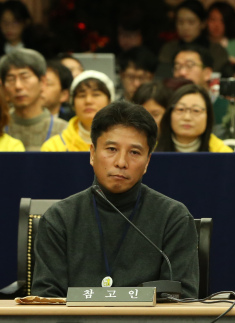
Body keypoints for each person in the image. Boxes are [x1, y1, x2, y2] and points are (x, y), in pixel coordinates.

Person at [32, 100, 200, 298]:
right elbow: (45, 299)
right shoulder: (60, 218)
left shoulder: (173, 218)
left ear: (147, 162)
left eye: (134, 153)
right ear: (92, 154)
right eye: (111, 149)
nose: (121, 162)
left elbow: (182, 302)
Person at [0, 48, 67, 151]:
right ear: (4, 87)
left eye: (25, 77)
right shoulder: (2, 128)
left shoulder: (64, 131)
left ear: (43, 82)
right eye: (11, 79)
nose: (18, 86)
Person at [41, 71, 114, 152]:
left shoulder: (125, 143)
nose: (88, 101)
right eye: (82, 95)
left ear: (110, 101)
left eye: (96, 94)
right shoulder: (53, 147)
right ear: (73, 104)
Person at [158, 0, 229, 76]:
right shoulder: (169, 49)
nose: (185, 28)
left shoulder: (216, 51)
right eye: (180, 22)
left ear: (203, 23)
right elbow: (162, 77)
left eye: (191, 22)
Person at [157, 84, 232, 153]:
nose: (187, 117)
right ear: (169, 113)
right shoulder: (151, 151)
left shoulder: (222, 153)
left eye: (196, 110)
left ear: (208, 116)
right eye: (180, 109)